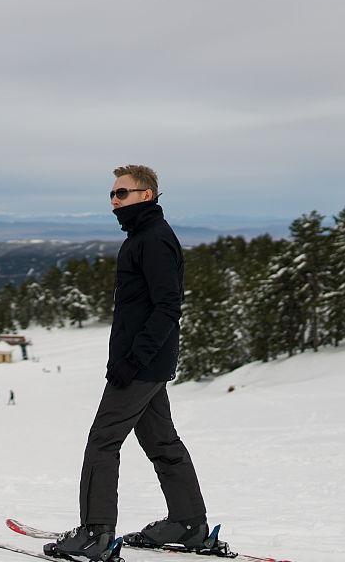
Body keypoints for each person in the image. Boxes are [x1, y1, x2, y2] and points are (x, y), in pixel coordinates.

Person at [46, 165, 214, 561]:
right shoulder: (143, 236)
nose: (114, 200)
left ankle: (96, 534)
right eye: (112, 194)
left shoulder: (153, 240)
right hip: (146, 362)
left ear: (147, 195)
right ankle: (189, 524)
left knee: (103, 440)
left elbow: (168, 306)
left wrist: (134, 359)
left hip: (140, 364)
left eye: (122, 193)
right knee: (161, 441)